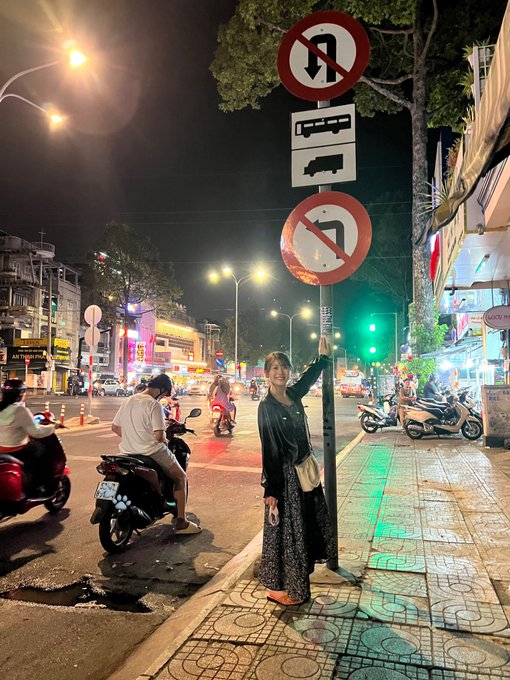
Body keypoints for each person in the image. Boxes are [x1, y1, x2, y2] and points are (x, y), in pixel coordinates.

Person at [257, 337, 336, 606]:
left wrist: (322, 359)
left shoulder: (292, 395)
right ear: (267, 373)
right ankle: (286, 589)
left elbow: (308, 379)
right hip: (285, 479)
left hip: (303, 472)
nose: (280, 372)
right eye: (275, 368)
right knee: (288, 534)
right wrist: (271, 490)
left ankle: (288, 586)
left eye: (284, 367)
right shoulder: (267, 406)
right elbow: (270, 449)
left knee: (302, 532)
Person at [111, 373, 201, 534]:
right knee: (180, 477)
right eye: (165, 394)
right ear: (161, 390)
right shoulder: (154, 405)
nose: (164, 397)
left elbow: (115, 427)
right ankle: (182, 522)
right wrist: (165, 440)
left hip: (127, 452)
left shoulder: (129, 400)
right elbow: (159, 436)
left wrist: (134, 438)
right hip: (151, 452)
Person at [0, 379, 58, 493]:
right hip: (16, 449)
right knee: (42, 451)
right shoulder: (20, 410)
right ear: (20, 394)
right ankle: (40, 485)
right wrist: (53, 427)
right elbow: (36, 432)